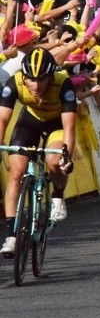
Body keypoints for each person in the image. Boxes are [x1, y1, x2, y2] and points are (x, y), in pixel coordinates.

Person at [0, 48, 76, 256]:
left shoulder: (63, 83)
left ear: (50, 76)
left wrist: (66, 156)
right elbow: (3, 119)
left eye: (41, 79)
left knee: (54, 161)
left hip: (56, 123)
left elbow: (69, 127)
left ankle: (58, 195)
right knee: (16, 173)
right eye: (30, 79)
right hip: (30, 121)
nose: (35, 85)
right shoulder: (15, 82)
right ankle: (12, 235)